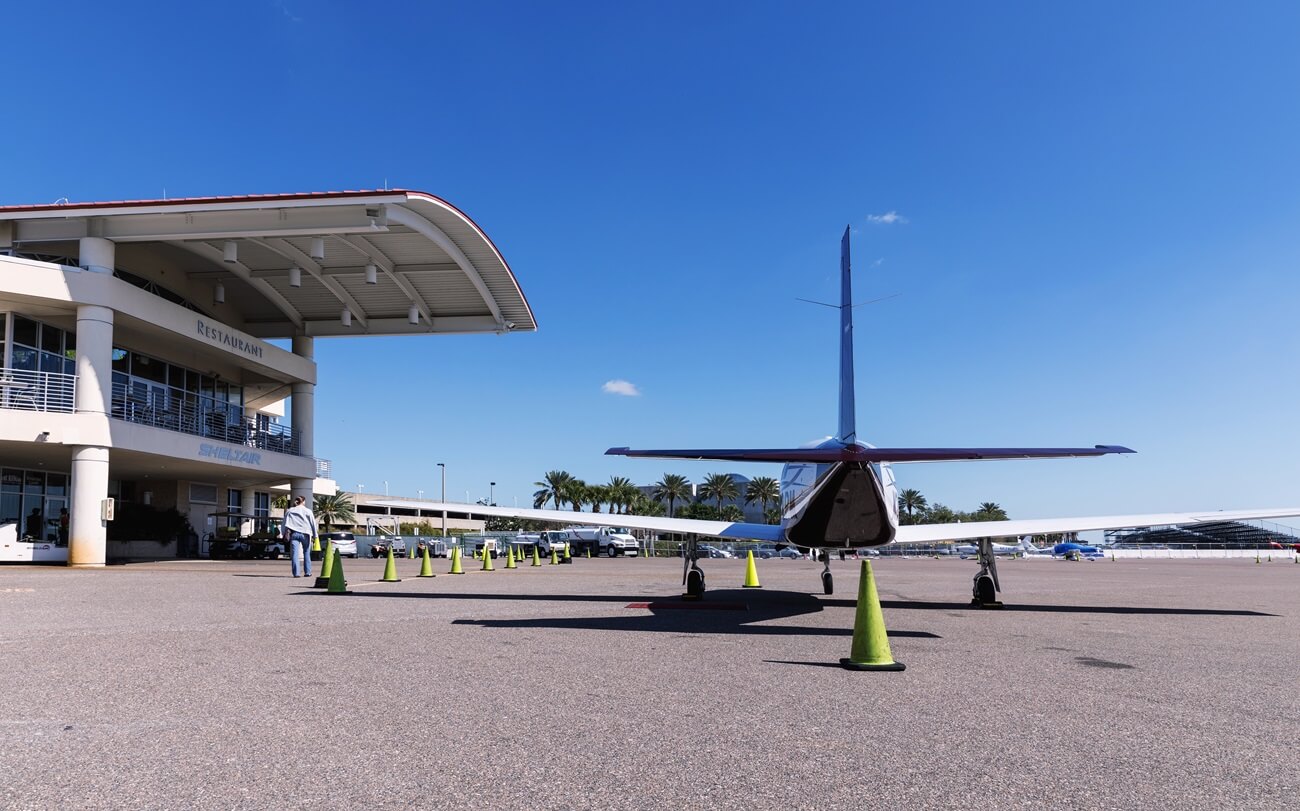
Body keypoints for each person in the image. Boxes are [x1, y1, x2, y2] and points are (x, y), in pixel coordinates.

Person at [281, 496, 318, 578]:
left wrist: (282, 533)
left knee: (294, 554)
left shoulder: (290, 510)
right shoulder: (308, 511)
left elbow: (284, 523)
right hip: (305, 534)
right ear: (303, 501)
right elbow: (313, 524)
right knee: (306, 553)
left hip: (294, 534)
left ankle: (296, 573)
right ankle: (307, 572)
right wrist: (315, 535)